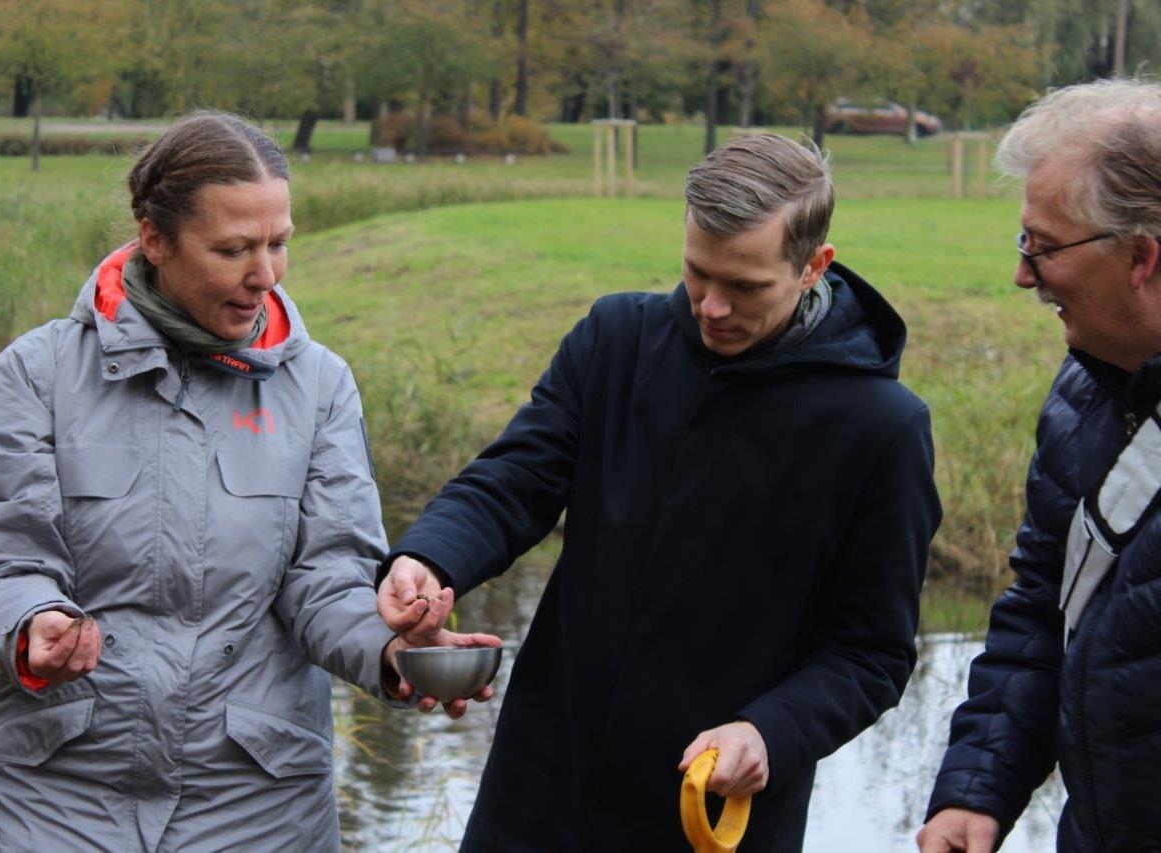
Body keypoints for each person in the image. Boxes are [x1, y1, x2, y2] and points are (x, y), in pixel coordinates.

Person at [378, 133, 943, 851]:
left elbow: (872, 653)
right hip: (537, 793)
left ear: (812, 267)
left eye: (744, 287)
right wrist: (429, 559)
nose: (710, 307)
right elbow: (511, 480)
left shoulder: (882, 429)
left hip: (710, 816)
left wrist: (770, 731)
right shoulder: (614, 339)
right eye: (696, 273)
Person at [0, 111, 497, 851]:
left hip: (259, 803)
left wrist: (392, 651)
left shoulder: (320, 387)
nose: (265, 275)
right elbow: (9, 566)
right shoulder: (33, 375)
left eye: (279, 244)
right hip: (59, 791)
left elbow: (328, 579)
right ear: (154, 239)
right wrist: (34, 625)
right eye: (233, 249)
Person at [920, 79, 1161, 853]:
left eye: (1043, 245)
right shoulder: (1084, 391)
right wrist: (977, 787)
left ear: (1142, 257)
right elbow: (1042, 605)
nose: (1024, 275)